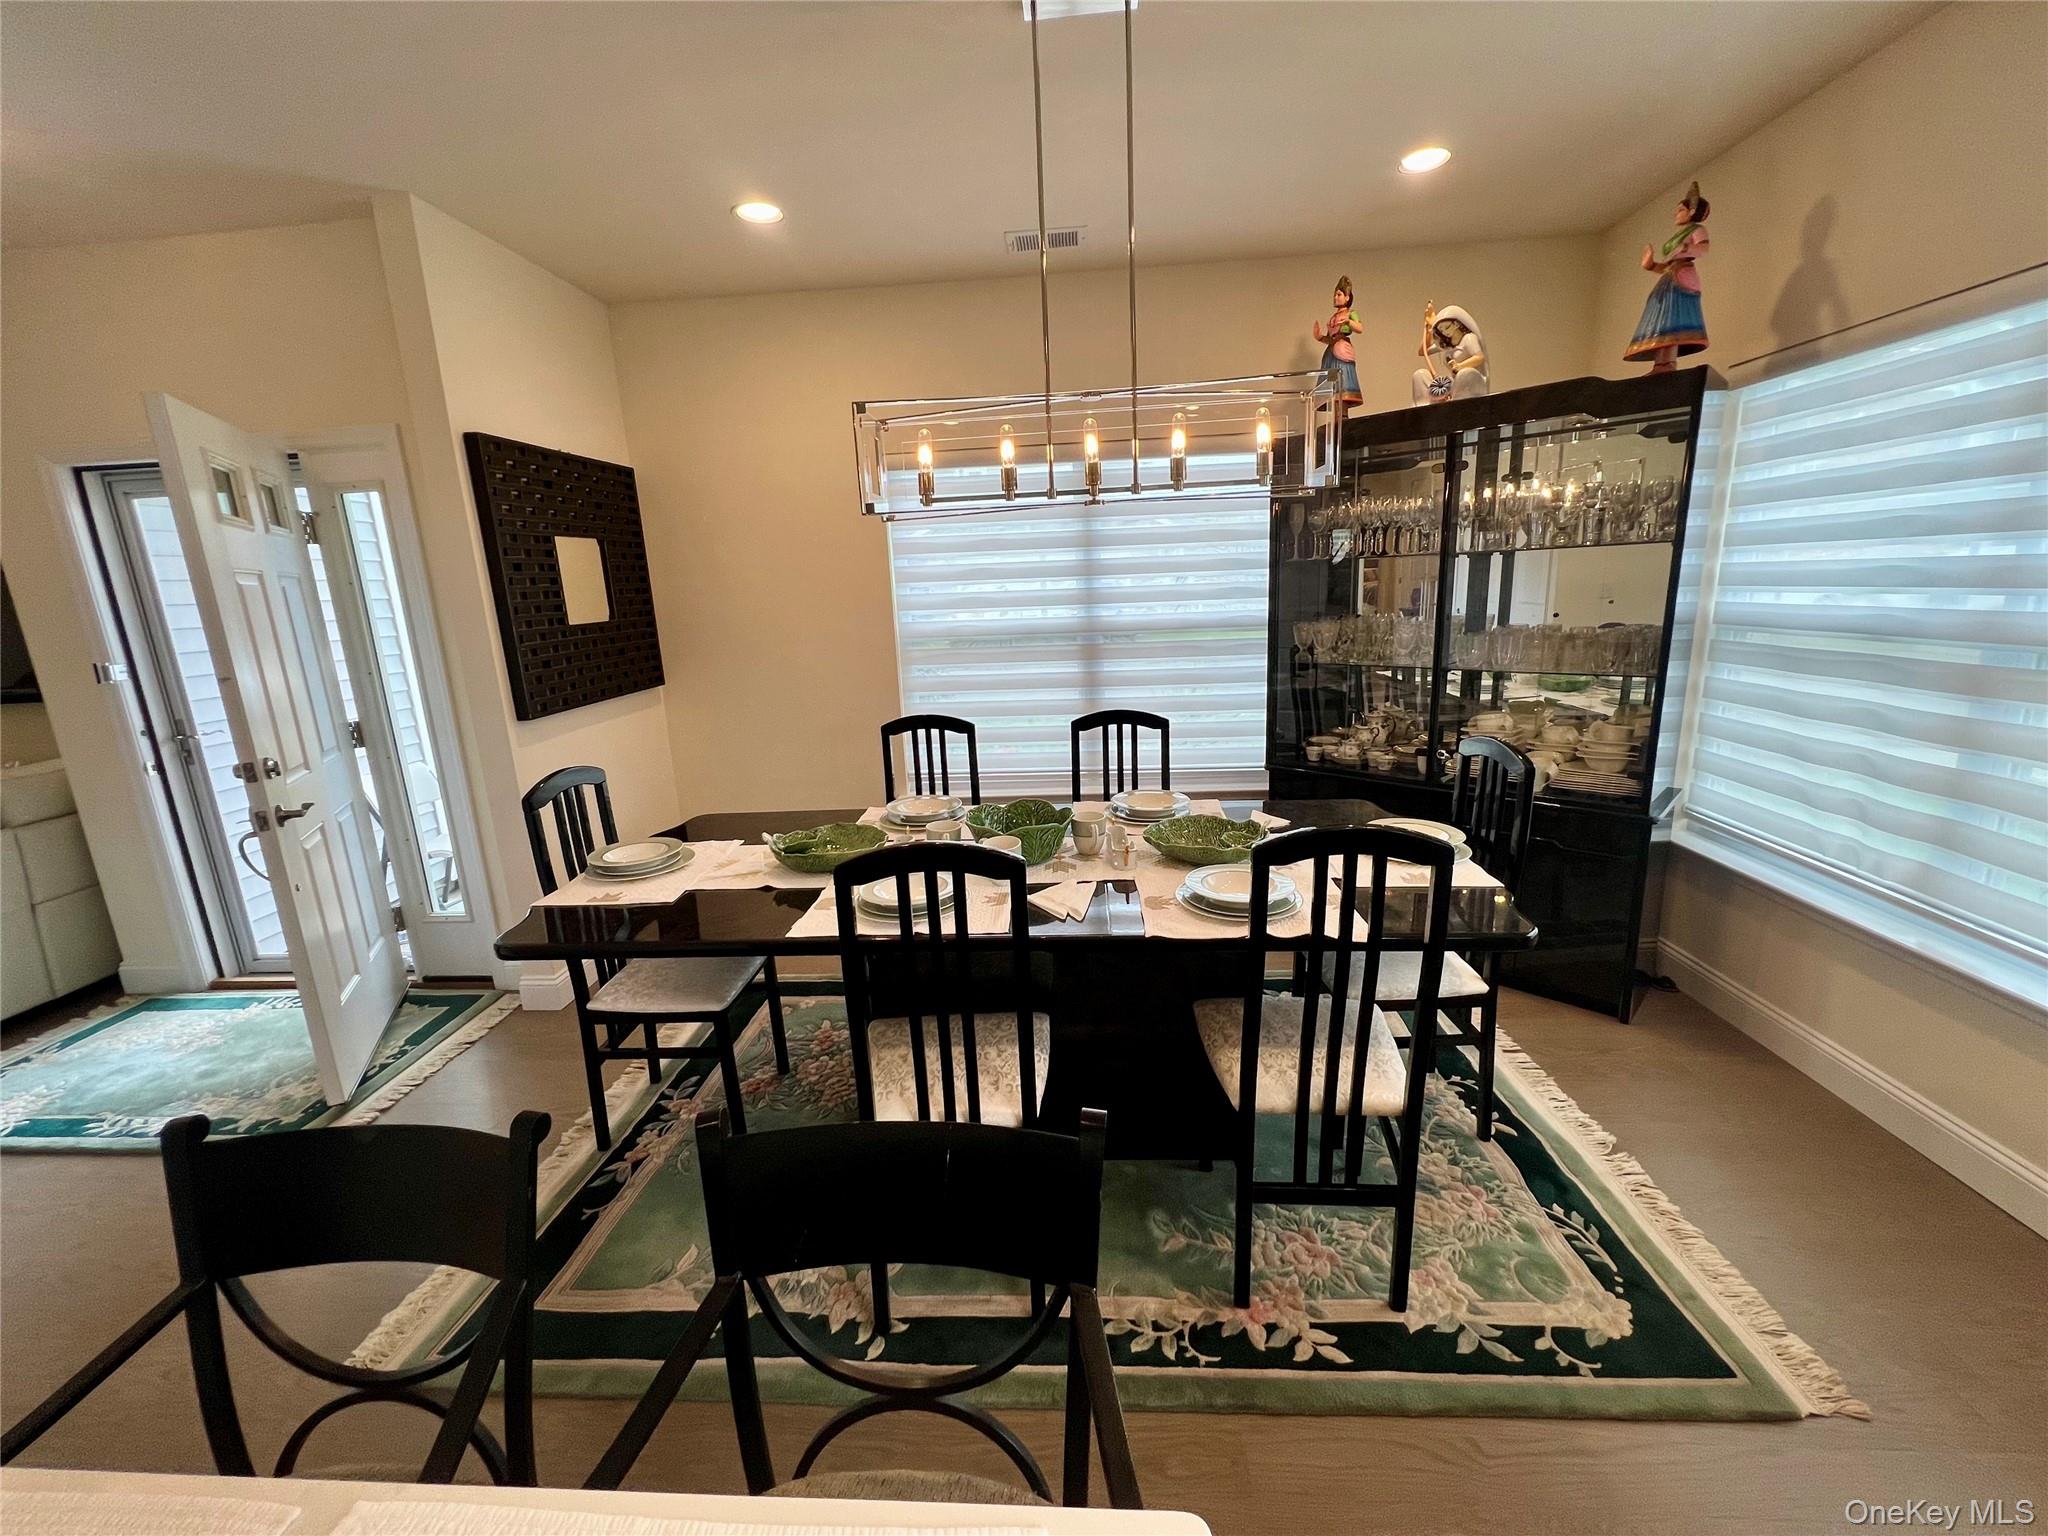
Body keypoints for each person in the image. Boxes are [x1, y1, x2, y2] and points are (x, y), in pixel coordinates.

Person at [1625, 182, 1711, 371]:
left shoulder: (1696, 230)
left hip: (1682, 274)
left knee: (1674, 318)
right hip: (1670, 276)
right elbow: (1666, 266)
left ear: (1692, 211)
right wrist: (1651, 265)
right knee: (1662, 316)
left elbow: (1704, 248)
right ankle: (1660, 363)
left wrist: (1686, 247)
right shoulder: (1678, 236)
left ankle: (1669, 362)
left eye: (1680, 209)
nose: (1676, 213)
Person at [1411, 302, 1489, 403]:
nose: (1445, 333)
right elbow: (1423, 351)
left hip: (1469, 381)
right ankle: (1425, 408)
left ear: (1456, 324)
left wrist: (1460, 366)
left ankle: (1459, 406)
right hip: (1454, 384)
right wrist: (1430, 328)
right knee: (1420, 375)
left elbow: (1479, 357)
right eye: (1442, 330)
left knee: (1465, 374)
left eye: (1447, 328)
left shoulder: (1468, 338)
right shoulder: (1447, 344)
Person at [1311, 276, 1363, 407]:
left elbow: (1360, 328)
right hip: (1331, 353)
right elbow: (1330, 338)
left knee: (1342, 387)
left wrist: (1348, 321)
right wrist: (1320, 337)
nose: (1335, 297)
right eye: (1335, 295)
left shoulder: (1351, 313)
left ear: (1347, 297)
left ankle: (1343, 416)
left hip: (1342, 352)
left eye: (1339, 294)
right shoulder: (1334, 317)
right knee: (1331, 392)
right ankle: (1335, 418)